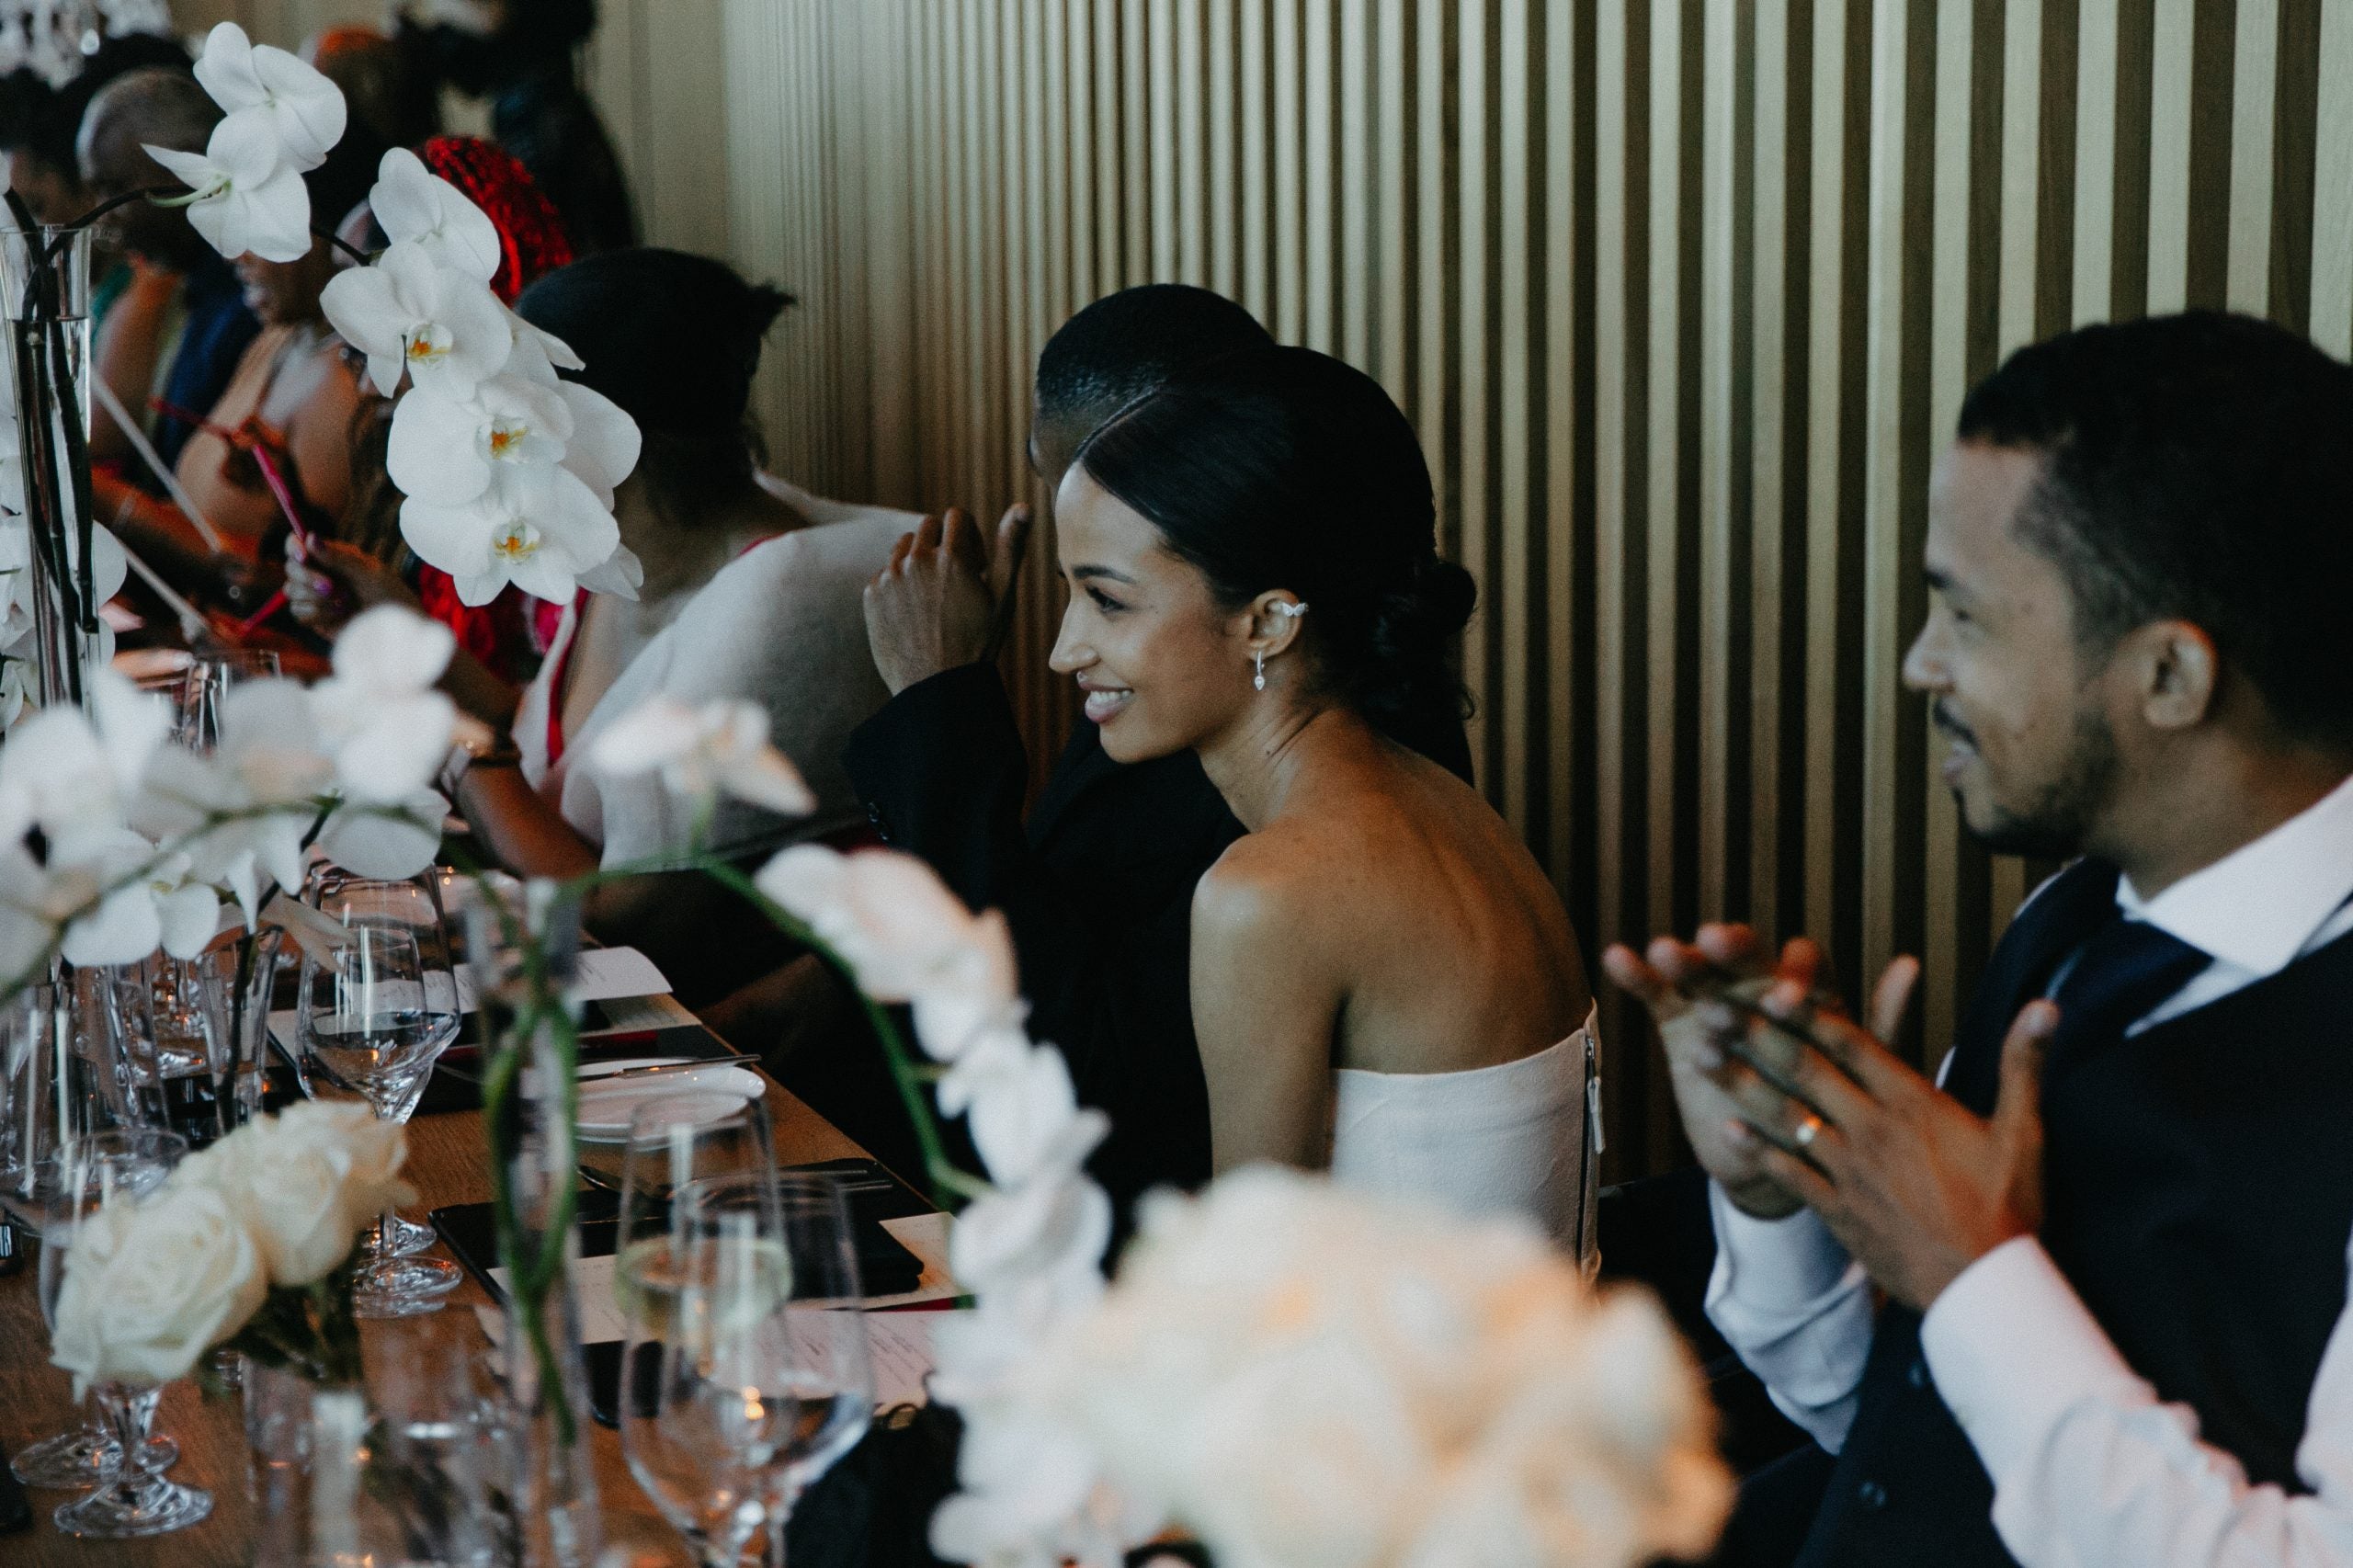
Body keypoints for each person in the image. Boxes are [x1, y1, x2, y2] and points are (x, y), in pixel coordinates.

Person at [1605, 312, 2353, 1567]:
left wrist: (1976, 1272)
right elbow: (1891, 1426)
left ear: (2171, 677)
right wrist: (1786, 1187)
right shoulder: (2069, 925)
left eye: (1966, 616)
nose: (1920, 664)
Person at [1051, 344, 1597, 1245]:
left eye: (1107, 602)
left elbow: (1257, 1284)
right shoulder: (1454, 806)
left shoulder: (1268, 891)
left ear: (1267, 621)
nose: (1064, 649)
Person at [841, 284, 1272, 1216]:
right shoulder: (1183, 667)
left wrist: (937, 703)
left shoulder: (1282, 794)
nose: (1063, 646)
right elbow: (1066, 922)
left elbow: (1077, 1097)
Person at [440, 249, 915, 996]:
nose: (498, 440)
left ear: (610, 435)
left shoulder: (786, 595)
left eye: (521, 412)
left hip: (695, 1036)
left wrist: (463, 752)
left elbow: (614, 920)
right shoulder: (616, 546)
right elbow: (564, 760)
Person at [97, 126, 387, 576]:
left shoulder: (348, 384)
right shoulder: (276, 339)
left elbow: (290, 581)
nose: (233, 255)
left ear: (323, 228)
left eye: (255, 226)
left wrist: (106, 502)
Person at [76, 68, 260, 479]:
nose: (102, 215)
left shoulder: (247, 303)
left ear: (188, 163)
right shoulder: (193, 288)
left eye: (114, 187)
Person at [401, 0, 637, 256]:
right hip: (523, 121)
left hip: (546, 120)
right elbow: (470, 72)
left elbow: (493, 19)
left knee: (559, 241)